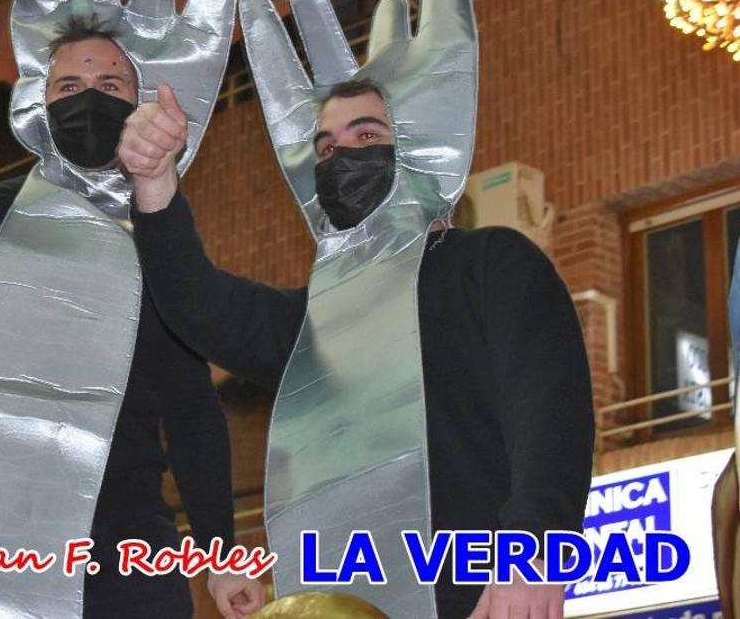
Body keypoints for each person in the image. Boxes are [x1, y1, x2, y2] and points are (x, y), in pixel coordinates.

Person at [120, 66, 594, 615]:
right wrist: (155, 183)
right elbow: (200, 307)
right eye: (326, 148)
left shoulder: (490, 264)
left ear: (421, 150)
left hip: (477, 593)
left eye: (367, 136)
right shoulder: (317, 317)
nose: (341, 157)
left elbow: (549, 409)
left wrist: (533, 552)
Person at [0, 18, 260, 618]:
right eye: (68, 87)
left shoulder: (161, 237)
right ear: (39, 107)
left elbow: (190, 406)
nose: (90, 97)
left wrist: (219, 553)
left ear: (140, 104)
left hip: (126, 533)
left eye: (110, 83)